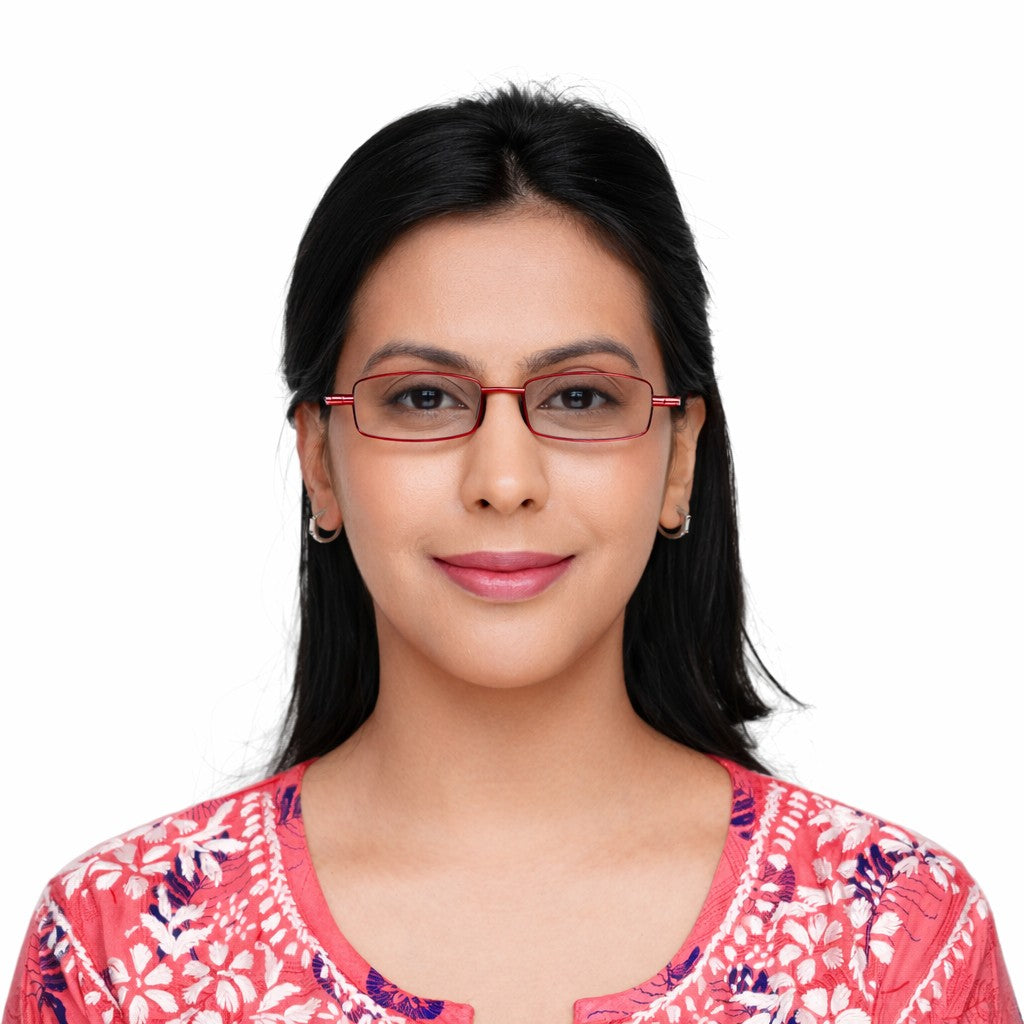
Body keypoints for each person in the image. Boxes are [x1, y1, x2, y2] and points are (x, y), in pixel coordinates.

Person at [4, 82, 1019, 1024]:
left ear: (678, 459)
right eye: (423, 398)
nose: (502, 478)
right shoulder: (120, 950)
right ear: (320, 460)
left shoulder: (896, 941)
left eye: (579, 397)